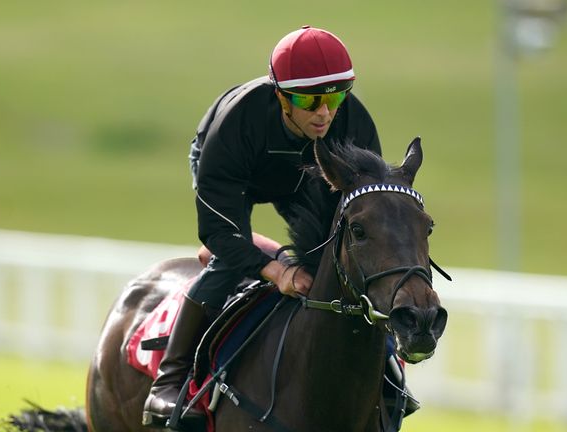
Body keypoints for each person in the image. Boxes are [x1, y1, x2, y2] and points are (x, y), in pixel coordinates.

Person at [143, 25, 398, 426]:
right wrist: (276, 270)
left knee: (337, 261)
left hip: (306, 174)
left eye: (334, 97)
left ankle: (388, 371)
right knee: (227, 261)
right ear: (280, 95)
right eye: (308, 99)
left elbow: (364, 215)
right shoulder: (236, 124)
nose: (324, 112)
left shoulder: (354, 125)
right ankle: (168, 380)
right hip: (238, 173)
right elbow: (219, 231)